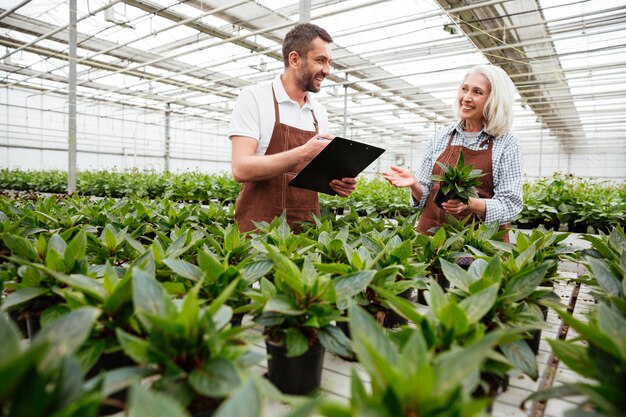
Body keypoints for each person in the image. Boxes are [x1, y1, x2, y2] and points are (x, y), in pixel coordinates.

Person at [229, 23, 357, 233]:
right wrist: (304, 152)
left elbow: (314, 175)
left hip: (305, 229)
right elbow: (241, 168)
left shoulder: (318, 112)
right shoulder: (255, 98)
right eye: (320, 60)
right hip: (259, 231)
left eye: (329, 62)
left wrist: (337, 182)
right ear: (295, 59)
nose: (327, 70)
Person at [383, 65, 523, 241]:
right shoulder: (441, 136)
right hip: (431, 240)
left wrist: (471, 204)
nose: (466, 97)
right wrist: (414, 185)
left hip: (477, 245)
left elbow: (511, 203)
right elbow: (426, 195)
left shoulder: (506, 142)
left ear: (494, 99)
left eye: (477, 92)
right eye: (464, 89)